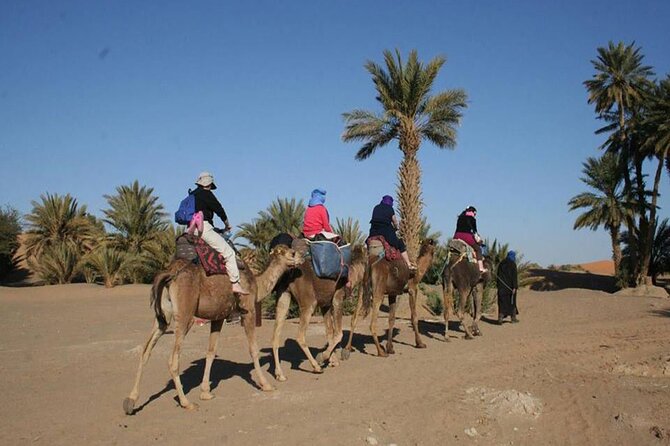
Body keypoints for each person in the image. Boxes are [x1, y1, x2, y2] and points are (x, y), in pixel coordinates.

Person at [191, 171, 248, 295]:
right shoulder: (207, 194)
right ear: (210, 184)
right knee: (229, 253)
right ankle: (235, 283)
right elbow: (219, 210)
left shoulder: (192, 194)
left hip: (190, 227)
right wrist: (227, 224)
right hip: (203, 227)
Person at [368, 195, 415, 270]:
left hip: (373, 233)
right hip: (386, 233)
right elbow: (395, 222)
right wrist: (396, 227)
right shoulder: (390, 209)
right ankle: (409, 264)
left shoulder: (376, 207)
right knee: (400, 243)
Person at [453, 206, 487, 272]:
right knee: (478, 249)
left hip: (456, 236)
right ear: (473, 212)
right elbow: (475, 232)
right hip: (466, 236)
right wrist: (479, 241)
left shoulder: (460, 217)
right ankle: (481, 268)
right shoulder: (472, 219)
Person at [496, 251, 519, 324]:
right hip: (510, 288)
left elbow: (498, 275)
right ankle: (513, 318)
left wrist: (498, 285)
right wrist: (515, 286)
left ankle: (500, 317)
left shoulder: (501, 263)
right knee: (512, 302)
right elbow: (514, 276)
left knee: (502, 302)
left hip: (501, 287)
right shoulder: (512, 264)